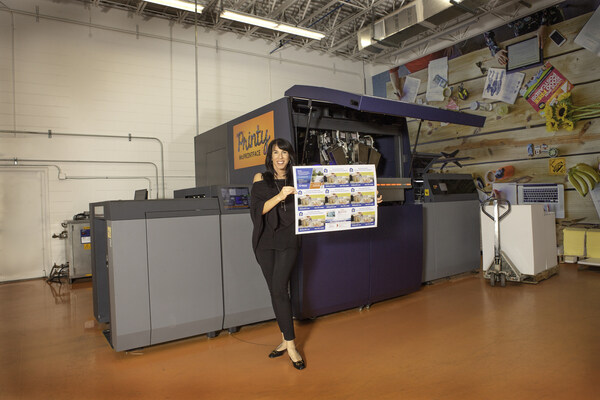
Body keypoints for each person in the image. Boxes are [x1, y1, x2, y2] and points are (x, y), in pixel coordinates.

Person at [250, 138, 305, 371]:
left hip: (289, 240)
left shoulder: (300, 178)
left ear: (290, 156)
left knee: (280, 289)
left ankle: (291, 346)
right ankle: (285, 339)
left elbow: (327, 199)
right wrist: (281, 196)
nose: (280, 157)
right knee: (275, 291)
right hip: (265, 242)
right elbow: (257, 210)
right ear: (270, 156)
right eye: (275, 152)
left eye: (284, 152)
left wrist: (369, 199)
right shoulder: (260, 179)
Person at [484, 6, 564, 66]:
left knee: (561, 50)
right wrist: (495, 49)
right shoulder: (490, 5)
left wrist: (544, 24)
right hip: (522, 29)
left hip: (547, 18)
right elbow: (486, 27)